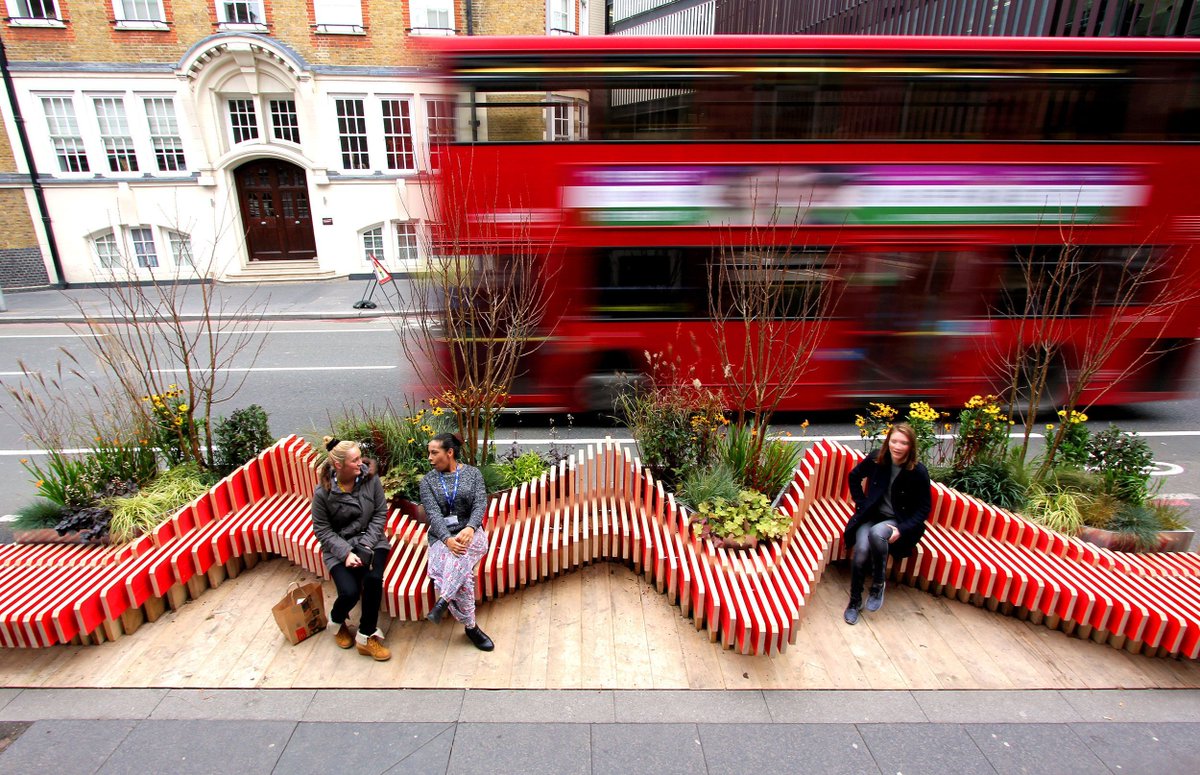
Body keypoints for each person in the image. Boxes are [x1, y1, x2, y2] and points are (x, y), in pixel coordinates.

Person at [842, 422, 931, 626]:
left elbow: (924, 509)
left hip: (897, 521)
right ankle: (854, 602)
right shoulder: (876, 459)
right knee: (861, 551)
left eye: (904, 443)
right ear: (888, 441)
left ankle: (878, 584)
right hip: (872, 515)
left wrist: (901, 529)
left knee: (876, 533)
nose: (897, 447)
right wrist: (862, 504)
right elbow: (854, 476)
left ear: (911, 446)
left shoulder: (918, 472)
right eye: (894, 441)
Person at [311, 437, 392, 660]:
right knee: (349, 592)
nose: (361, 464)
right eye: (355, 460)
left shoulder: (371, 480)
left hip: (372, 540)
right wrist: (346, 553)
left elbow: (379, 513)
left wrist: (365, 544)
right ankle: (336, 620)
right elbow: (323, 531)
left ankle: (366, 636)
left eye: (360, 458)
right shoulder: (322, 495)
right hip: (339, 547)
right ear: (339, 465)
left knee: (373, 580)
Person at [420, 432, 494, 651]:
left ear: (449, 453)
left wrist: (471, 528)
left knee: (459, 554)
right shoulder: (428, 482)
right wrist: (446, 539)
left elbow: (480, 504)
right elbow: (433, 515)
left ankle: (443, 601)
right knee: (459, 562)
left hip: (472, 535)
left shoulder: (472, 474)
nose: (430, 458)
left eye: (434, 453)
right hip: (442, 538)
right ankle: (471, 627)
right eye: (429, 453)